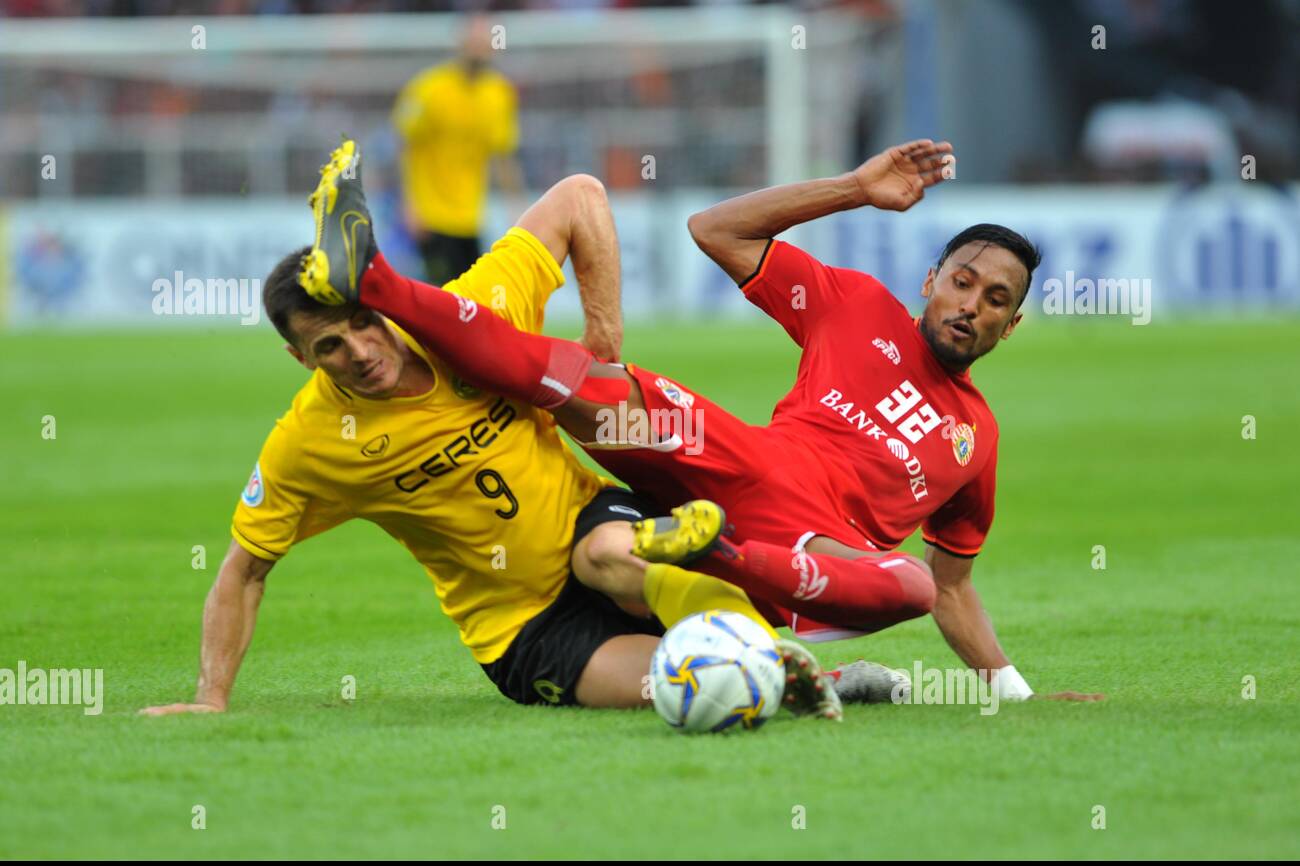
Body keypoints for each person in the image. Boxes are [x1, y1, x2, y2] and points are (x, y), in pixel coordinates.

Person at [299, 138, 1103, 704]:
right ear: (932, 279)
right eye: (963, 282)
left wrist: (1013, 690)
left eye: (996, 301)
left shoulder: (978, 438)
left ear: (1011, 326)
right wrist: (857, 188)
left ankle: (710, 550)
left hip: (808, 556)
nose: (971, 306)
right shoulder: (857, 305)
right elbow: (715, 230)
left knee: (916, 584)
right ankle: (376, 280)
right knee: (593, 385)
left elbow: (955, 589)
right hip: (744, 462)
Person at [141, 166, 840, 720]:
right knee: (690, 683)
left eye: (361, 320)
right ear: (303, 360)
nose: (358, 349)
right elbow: (244, 570)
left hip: (591, 525)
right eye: (329, 345)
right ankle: (788, 673)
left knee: (610, 552)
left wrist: (604, 340)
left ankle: (779, 655)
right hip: (522, 630)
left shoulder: (466, 317)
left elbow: (579, 196)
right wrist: (211, 695)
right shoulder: (309, 442)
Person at [392, 14, 525, 286]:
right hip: (431, 214)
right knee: (439, 297)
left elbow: (503, 155)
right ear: (461, 44)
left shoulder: (499, 94)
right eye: (474, 41)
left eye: (485, 41)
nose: (479, 48)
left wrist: (516, 208)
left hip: (471, 216)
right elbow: (405, 145)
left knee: (469, 301)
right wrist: (409, 205)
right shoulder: (429, 88)